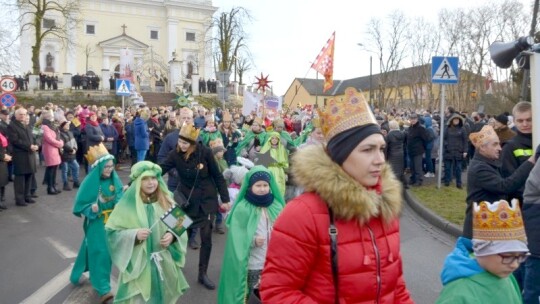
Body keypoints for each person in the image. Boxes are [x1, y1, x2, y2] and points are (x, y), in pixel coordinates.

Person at [260, 87, 413, 303]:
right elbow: (277, 292)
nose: (380, 159)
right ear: (340, 156)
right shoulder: (303, 214)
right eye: (367, 150)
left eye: (381, 149)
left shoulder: (384, 206)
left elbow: (395, 287)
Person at [159, 122, 231, 290]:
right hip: (184, 200)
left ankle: (202, 274)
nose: (181, 145)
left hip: (206, 201)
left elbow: (217, 176)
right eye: (180, 142)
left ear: (192, 143)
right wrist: (140, 177)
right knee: (171, 233)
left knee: (206, 239)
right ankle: (167, 270)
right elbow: (160, 169)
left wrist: (225, 199)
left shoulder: (204, 152)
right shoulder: (174, 154)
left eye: (185, 143)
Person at [106, 161, 189, 303]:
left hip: (163, 262)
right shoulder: (128, 204)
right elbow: (112, 234)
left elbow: (181, 225)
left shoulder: (165, 199)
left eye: (153, 178)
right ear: (137, 181)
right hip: (139, 266)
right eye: (145, 179)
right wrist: (134, 235)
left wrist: (172, 235)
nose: (151, 183)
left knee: (163, 295)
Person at [436, 199, 529, 303]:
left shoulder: (505, 275)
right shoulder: (458, 295)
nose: (515, 265)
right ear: (483, 250)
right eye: (507, 256)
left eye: (520, 256)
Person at [217, 166, 285, 304]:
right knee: (253, 296)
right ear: (249, 187)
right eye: (258, 185)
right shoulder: (243, 207)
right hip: (254, 263)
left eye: (265, 185)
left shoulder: (276, 205)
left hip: (273, 263)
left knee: (271, 295)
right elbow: (237, 236)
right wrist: (253, 240)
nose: (262, 188)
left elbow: (287, 230)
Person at [70, 143, 124, 303]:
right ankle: (103, 289)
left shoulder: (115, 180)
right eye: (106, 167)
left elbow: (119, 195)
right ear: (99, 166)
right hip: (98, 223)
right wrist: (90, 208)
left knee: (93, 248)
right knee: (102, 252)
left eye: (111, 166)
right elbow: (80, 205)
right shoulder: (90, 182)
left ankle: (79, 269)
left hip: (113, 222)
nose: (109, 169)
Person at [464, 125, 534, 239]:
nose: (500, 148)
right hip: (479, 231)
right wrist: (530, 162)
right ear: (482, 147)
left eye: (499, 144)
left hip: (487, 226)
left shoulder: (489, 163)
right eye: (495, 144)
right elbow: (505, 186)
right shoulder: (480, 168)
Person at [7, 107, 39, 206]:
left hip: (30, 154)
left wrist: (36, 145)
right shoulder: (12, 126)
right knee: (20, 178)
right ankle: (19, 199)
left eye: (24, 114)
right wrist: (29, 146)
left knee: (29, 176)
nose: (23, 116)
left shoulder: (27, 125)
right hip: (20, 155)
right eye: (20, 114)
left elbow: (34, 137)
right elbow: (15, 141)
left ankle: (27, 196)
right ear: (16, 115)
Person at [259, 131, 288, 196]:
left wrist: (286, 172)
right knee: (269, 186)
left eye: (276, 138)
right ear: (270, 139)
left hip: (279, 171)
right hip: (268, 170)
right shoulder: (266, 148)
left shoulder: (281, 149)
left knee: (278, 187)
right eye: (273, 138)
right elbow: (261, 161)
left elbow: (285, 161)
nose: (274, 140)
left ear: (278, 140)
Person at [442, 113, 467, 189]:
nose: (456, 121)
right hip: (448, 151)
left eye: (457, 120)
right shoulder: (447, 128)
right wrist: (446, 145)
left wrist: (465, 151)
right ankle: (447, 181)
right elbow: (444, 138)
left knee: (458, 168)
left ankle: (459, 183)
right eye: (455, 120)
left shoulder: (462, 129)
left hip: (458, 151)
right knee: (447, 168)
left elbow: (465, 140)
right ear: (452, 120)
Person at [59, 120, 80, 190]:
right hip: (65, 154)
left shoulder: (70, 132)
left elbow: (74, 142)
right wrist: (71, 150)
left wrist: (74, 149)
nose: (68, 126)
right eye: (66, 125)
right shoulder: (60, 134)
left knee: (76, 167)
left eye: (68, 125)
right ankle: (65, 184)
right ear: (63, 125)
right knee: (65, 170)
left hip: (72, 154)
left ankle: (76, 182)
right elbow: (63, 144)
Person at [0, 129, 11, 210]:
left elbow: (6, 144)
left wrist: (7, 154)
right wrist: (3, 156)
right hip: (1, 158)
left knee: (2, 181)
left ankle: (1, 200)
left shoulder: (1, 131)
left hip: (3, 160)